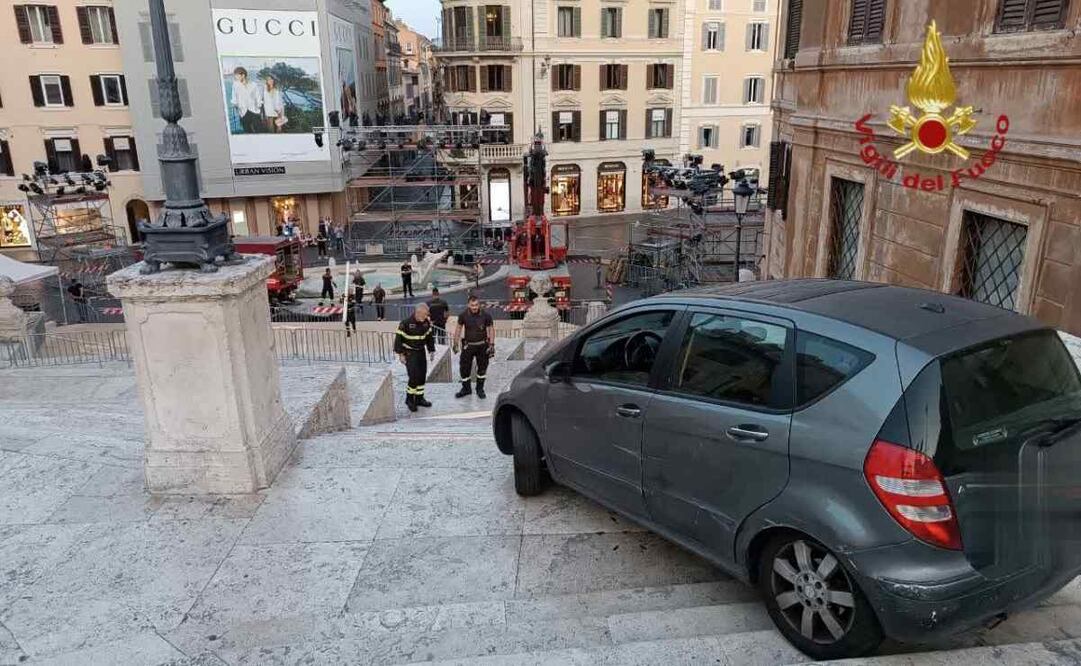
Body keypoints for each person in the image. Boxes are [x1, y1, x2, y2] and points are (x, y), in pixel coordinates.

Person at [394, 303, 436, 412]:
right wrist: (401, 354)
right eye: (425, 315)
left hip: (420, 352)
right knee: (413, 377)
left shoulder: (426, 323)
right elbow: (398, 340)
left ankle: (419, 398)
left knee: (422, 376)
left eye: (427, 315)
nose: (426, 317)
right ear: (418, 313)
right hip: (410, 353)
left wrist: (431, 350)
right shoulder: (405, 323)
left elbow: (429, 337)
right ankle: (409, 399)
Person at [453, 295, 495, 399]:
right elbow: (458, 329)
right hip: (468, 346)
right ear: (468, 305)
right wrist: (455, 343)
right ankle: (466, 389)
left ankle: (479, 389)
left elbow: (491, 329)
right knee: (464, 369)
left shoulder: (486, 315)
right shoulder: (463, 315)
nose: (474, 307)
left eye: (476, 305)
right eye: (472, 305)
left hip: (482, 346)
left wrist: (492, 344)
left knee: (482, 369)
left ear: (479, 304)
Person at [230, 67, 263, 134]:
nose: (236, 77)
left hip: (254, 111)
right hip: (243, 111)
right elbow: (234, 97)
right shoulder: (235, 85)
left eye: (237, 75)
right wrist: (235, 105)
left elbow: (258, 97)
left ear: (243, 75)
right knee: (247, 130)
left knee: (259, 130)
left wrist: (259, 106)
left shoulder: (253, 84)